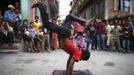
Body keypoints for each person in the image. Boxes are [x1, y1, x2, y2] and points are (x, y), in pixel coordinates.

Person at [31, 2, 92, 75]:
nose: (80, 60)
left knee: (69, 17)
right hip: (65, 33)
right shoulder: (78, 53)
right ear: (83, 57)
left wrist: (67, 73)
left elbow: (68, 62)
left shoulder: (74, 52)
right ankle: (42, 6)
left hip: (66, 32)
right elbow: (71, 65)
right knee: (46, 24)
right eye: (82, 59)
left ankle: (84, 22)